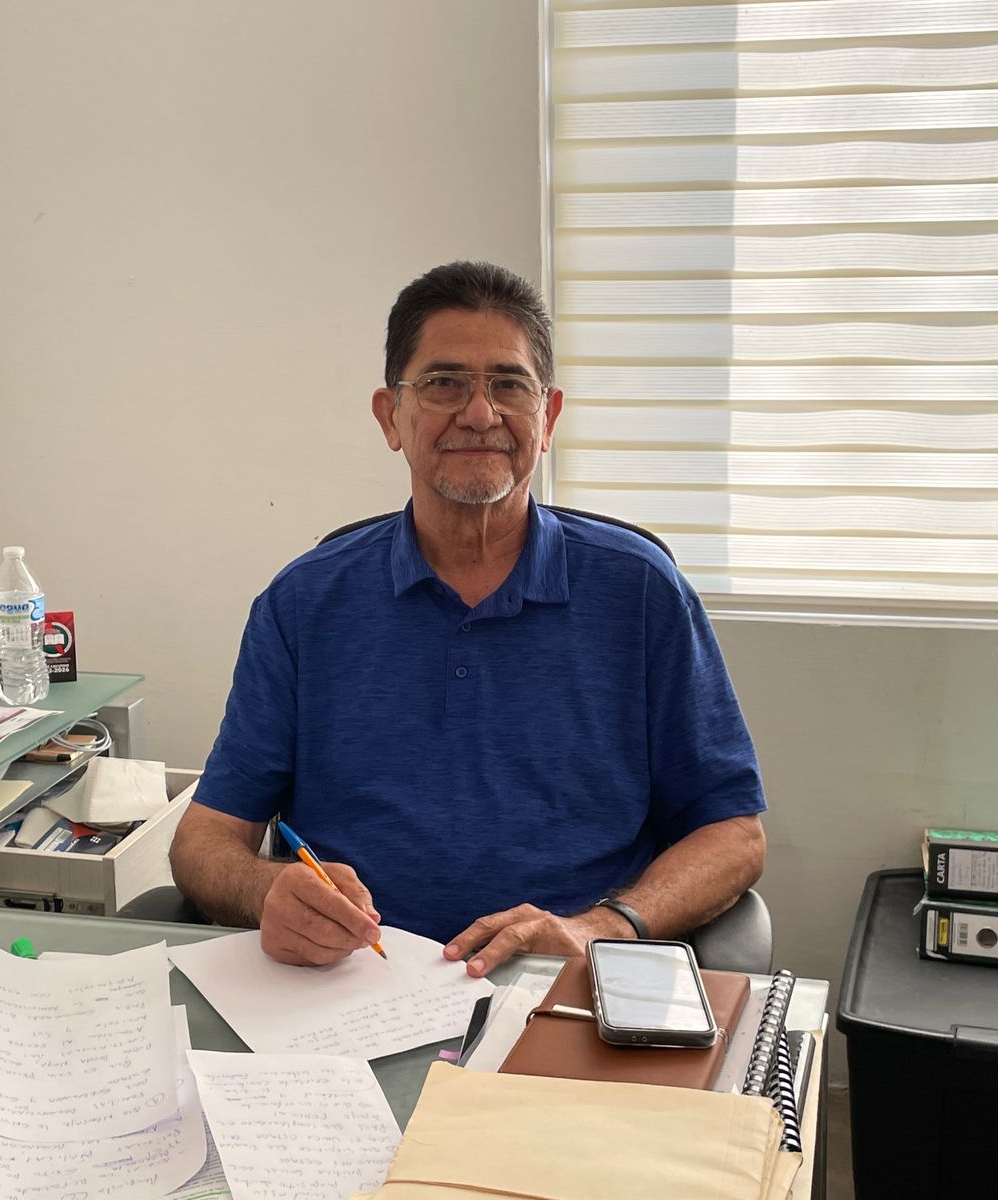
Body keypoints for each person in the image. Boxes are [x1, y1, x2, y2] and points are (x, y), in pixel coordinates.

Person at [169, 261, 765, 977]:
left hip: (564, 978)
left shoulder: (641, 592)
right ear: (391, 417)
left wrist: (602, 929)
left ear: (548, 418)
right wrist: (266, 890)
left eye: (509, 385)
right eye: (444, 383)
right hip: (353, 983)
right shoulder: (303, 603)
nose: (480, 414)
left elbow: (734, 834)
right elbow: (203, 840)